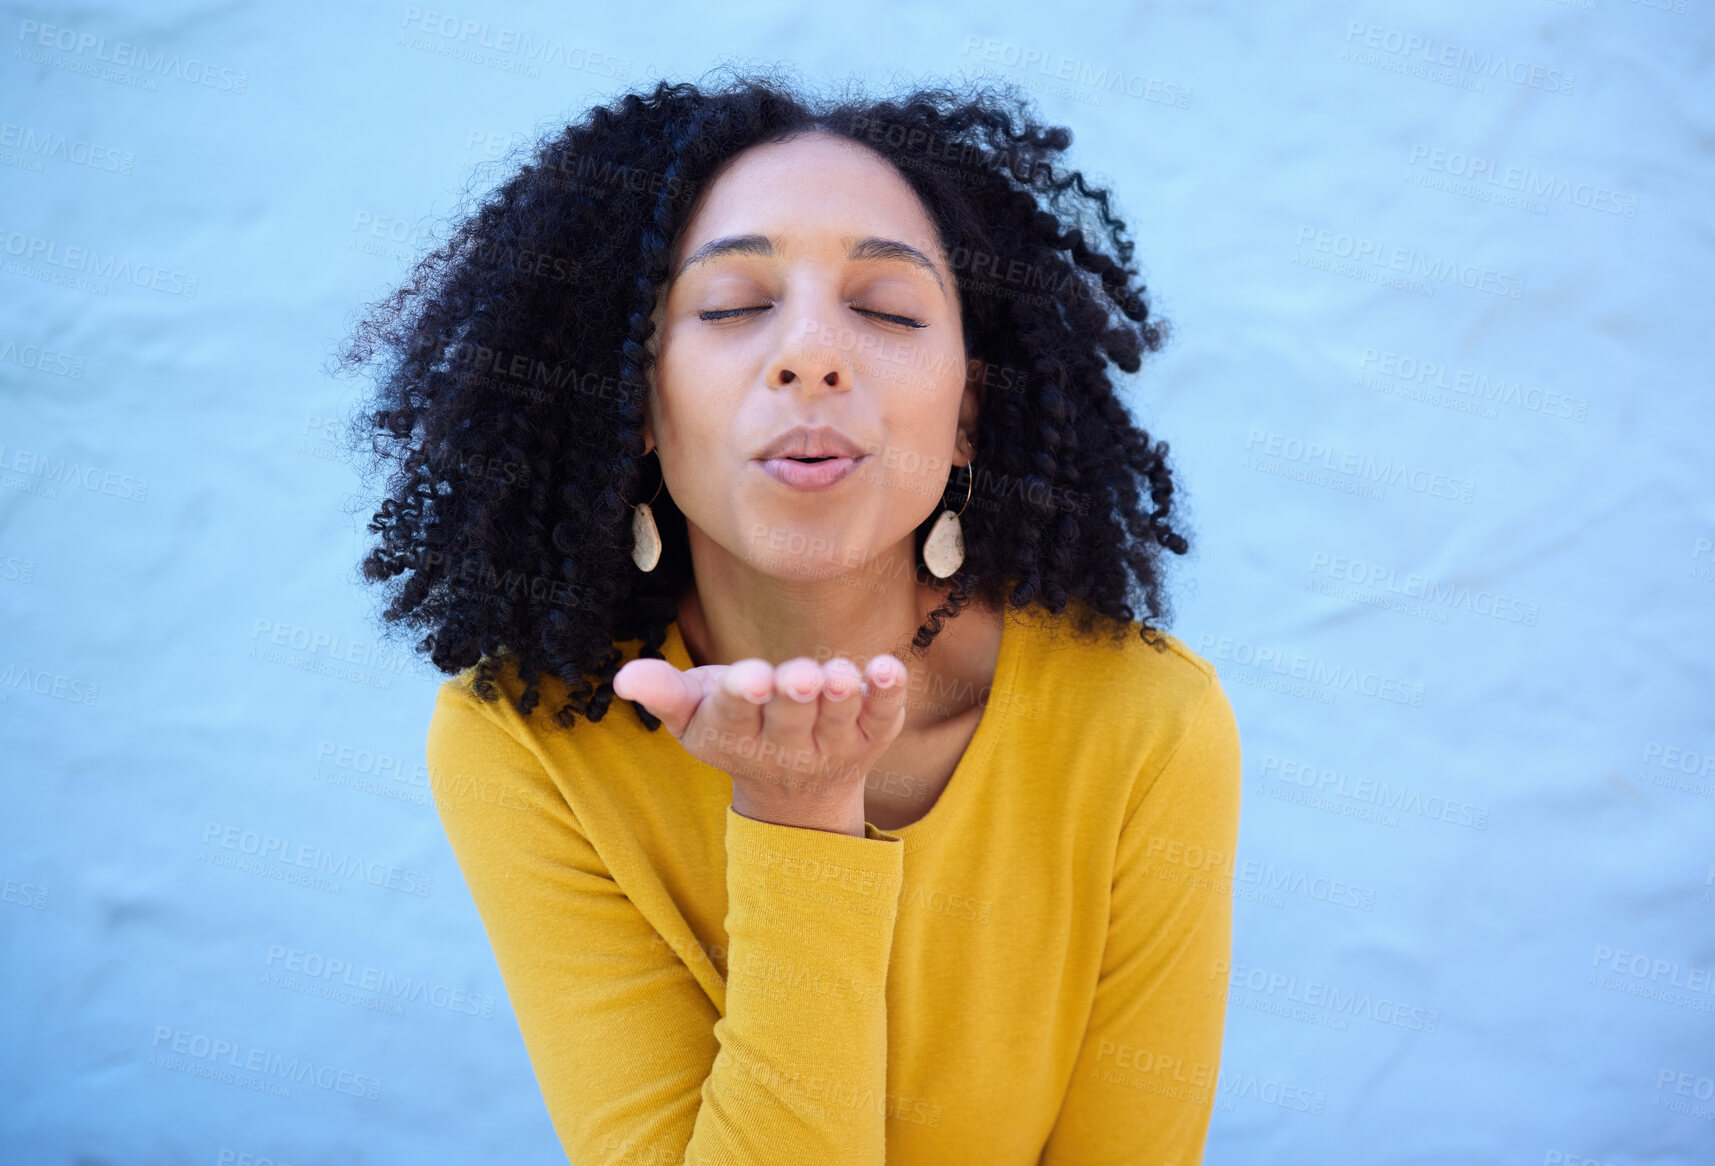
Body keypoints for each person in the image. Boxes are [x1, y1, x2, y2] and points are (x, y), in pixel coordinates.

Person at [338, 67, 1242, 1166]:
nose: (810, 355)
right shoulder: (522, 738)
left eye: (885, 308)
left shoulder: (1146, 722)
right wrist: (797, 813)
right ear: (631, 401)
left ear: (967, 414)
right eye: (730, 307)